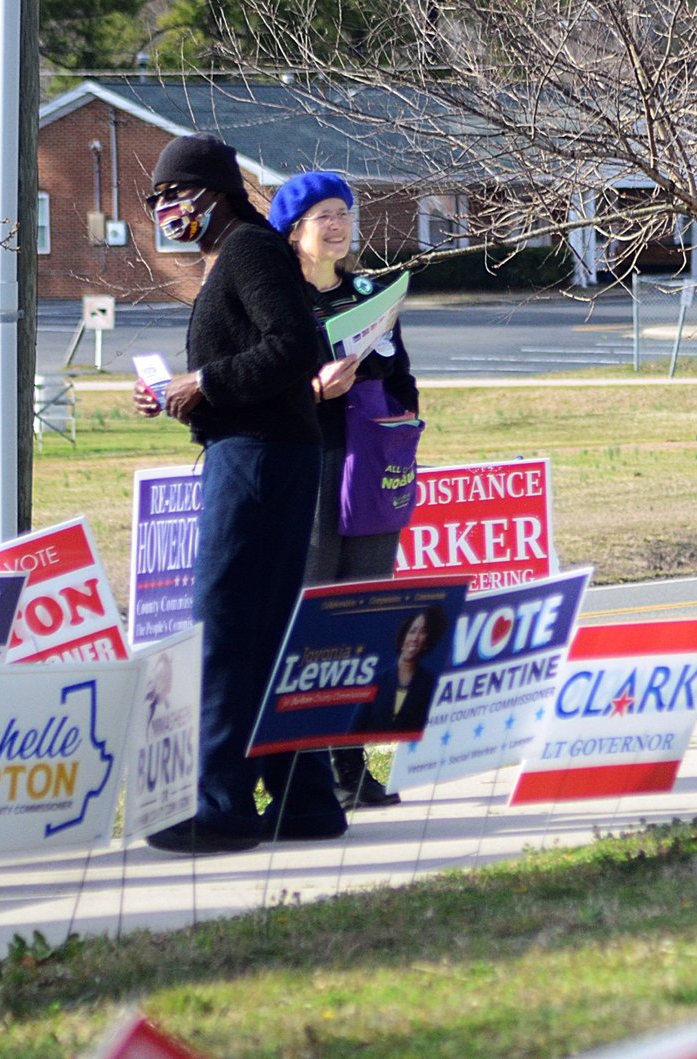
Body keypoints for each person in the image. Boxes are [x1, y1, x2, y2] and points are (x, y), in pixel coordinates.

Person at [133, 134, 349, 854]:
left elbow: (296, 346)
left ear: (214, 195)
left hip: (259, 460)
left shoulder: (251, 249)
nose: (164, 209)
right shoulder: (230, 257)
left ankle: (220, 806)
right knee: (267, 631)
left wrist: (208, 384)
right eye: (155, 198)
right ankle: (302, 797)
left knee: (226, 629)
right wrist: (181, 393)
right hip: (264, 453)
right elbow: (263, 352)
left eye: (173, 194)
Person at [266, 170, 421, 810]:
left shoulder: (370, 292)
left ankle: (351, 767)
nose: (336, 225)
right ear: (293, 229)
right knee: (312, 610)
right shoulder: (278, 296)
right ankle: (299, 772)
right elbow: (260, 381)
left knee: (364, 612)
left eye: (344, 213)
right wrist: (312, 389)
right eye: (321, 215)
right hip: (311, 461)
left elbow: (402, 371)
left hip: (373, 461)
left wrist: (402, 425)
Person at [349, 606, 446, 738]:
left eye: (422, 632)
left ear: (426, 643)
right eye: (412, 631)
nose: (415, 638)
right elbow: (354, 731)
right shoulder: (378, 681)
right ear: (403, 638)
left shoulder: (429, 685)